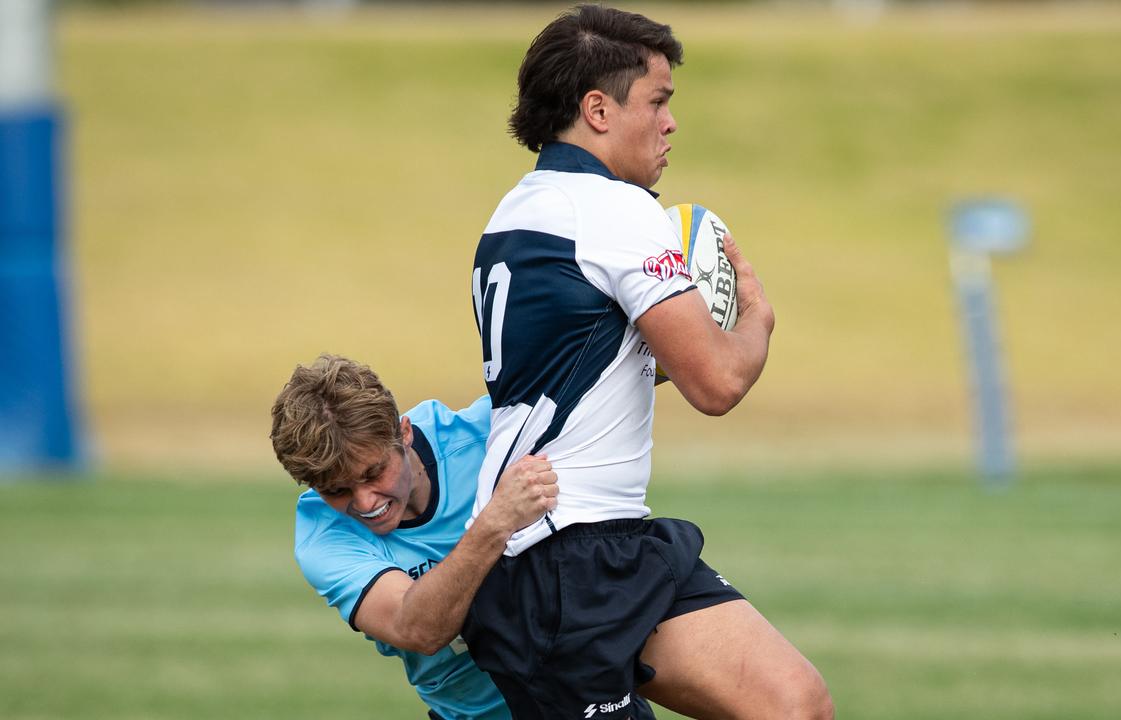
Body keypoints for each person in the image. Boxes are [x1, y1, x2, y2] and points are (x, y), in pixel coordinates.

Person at [465, 5, 834, 719]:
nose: (671, 123)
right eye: (658, 102)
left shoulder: (517, 212)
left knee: (795, 703)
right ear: (598, 110)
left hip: (607, 546)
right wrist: (755, 323)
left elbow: (582, 361)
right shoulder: (614, 211)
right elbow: (717, 382)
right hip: (560, 563)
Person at [271, 355, 662, 720]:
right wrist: (496, 522)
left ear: (403, 433)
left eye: (373, 474)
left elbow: (602, 386)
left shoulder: (485, 435)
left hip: (593, 696)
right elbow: (417, 629)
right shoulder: (323, 533)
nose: (364, 502)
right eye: (336, 490)